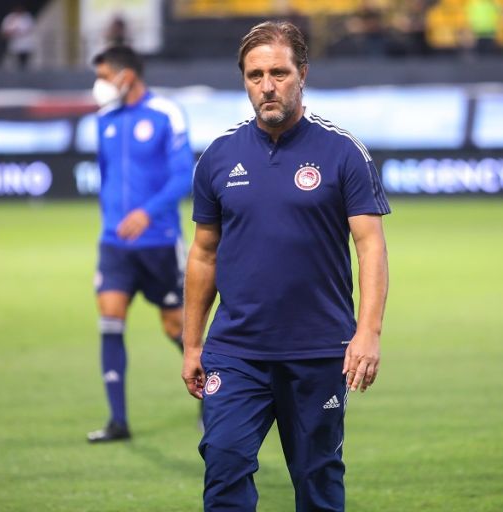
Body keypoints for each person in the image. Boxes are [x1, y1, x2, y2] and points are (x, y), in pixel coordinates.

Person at [182, 21, 390, 511]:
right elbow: (203, 254)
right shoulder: (218, 157)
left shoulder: (342, 151)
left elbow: (371, 248)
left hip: (318, 350)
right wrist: (192, 344)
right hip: (236, 351)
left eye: (279, 73)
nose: (267, 86)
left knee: (318, 483)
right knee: (223, 465)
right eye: (255, 75)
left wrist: (368, 333)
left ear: (303, 74)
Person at [87, 45, 194, 443]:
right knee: (110, 320)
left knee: (175, 326)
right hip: (114, 244)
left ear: (126, 75)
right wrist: (111, 222)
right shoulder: (104, 120)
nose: (98, 85)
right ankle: (118, 421)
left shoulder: (166, 113)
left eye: (103, 76)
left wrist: (147, 213)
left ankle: (210, 400)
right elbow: (106, 177)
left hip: (159, 242)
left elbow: (183, 176)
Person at [0, 5, 36, 69]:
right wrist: (13, 32)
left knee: (25, 61)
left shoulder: (27, 17)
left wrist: (19, 32)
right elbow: (4, 31)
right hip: (13, 44)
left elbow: (29, 29)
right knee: (13, 61)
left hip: (25, 44)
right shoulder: (10, 18)